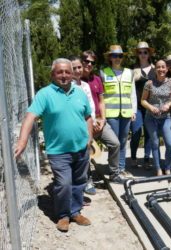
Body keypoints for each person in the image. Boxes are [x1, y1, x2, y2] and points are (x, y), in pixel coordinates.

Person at [15, 58, 92, 232]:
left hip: (81, 148)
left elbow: (88, 116)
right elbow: (30, 117)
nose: (64, 75)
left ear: (72, 74)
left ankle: (75, 211)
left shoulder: (79, 93)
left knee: (79, 181)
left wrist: (89, 138)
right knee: (64, 183)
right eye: (60, 72)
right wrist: (22, 141)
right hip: (58, 151)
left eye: (67, 72)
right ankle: (63, 215)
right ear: (52, 74)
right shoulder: (44, 94)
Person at [81, 50, 123, 183]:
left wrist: (103, 119)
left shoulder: (97, 80)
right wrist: (88, 124)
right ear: (81, 62)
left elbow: (101, 102)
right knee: (85, 150)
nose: (89, 64)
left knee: (115, 143)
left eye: (92, 62)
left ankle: (114, 173)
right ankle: (87, 178)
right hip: (83, 124)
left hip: (99, 121)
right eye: (86, 61)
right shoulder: (75, 81)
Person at [101, 45, 137, 175]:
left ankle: (121, 168)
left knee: (123, 141)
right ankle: (113, 169)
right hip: (111, 114)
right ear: (110, 57)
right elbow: (101, 95)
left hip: (126, 112)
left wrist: (134, 110)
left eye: (120, 56)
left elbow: (132, 93)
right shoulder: (103, 73)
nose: (117, 58)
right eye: (114, 56)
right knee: (114, 143)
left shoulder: (129, 72)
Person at [141, 60, 171, 176]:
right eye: (158, 67)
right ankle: (158, 169)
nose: (161, 69)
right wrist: (151, 107)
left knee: (170, 144)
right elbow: (143, 100)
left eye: (163, 67)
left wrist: (168, 104)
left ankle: (168, 167)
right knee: (155, 143)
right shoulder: (149, 84)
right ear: (155, 69)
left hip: (166, 118)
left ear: (166, 69)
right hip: (151, 118)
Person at [69, 55, 97, 195]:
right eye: (74, 68)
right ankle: (81, 182)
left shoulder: (85, 85)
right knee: (80, 154)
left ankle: (86, 180)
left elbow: (90, 105)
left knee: (87, 152)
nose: (78, 70)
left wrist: (94, 121)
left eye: (79, 67)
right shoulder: (68, 86)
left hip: (88, 122)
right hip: (76, 126)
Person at [131, 42, 154, 170]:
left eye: (145, 52)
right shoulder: (132, 70)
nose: (143, 54)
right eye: (140, 52)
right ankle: (133, 157)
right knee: (136, 132)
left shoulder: (155, 69)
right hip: (137, 107)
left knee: (149, 133)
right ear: (137, 55)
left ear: (149, 53)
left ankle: (146, 159)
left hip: (150, 106)